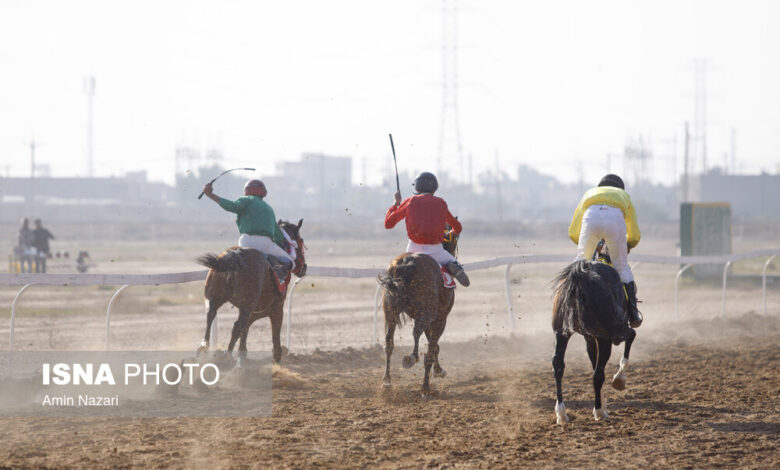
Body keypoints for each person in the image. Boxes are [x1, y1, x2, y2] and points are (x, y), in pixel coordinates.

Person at [568, 174, 642, 327]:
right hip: (614, 222)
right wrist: (628, 244)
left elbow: (574, 232)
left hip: (591, 219)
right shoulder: (624, 196)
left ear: (599, 187)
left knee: (578, 265)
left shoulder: (589, 194)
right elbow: (634, 235)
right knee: (622, 268)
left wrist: (589, 245)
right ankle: (633, 314)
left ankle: (567, 306)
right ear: (620, 188)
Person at [385, 171, 470, 286]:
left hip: (413, 249)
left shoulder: (410, 201)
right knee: (454, 262)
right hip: (436, 251)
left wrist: (396, 203)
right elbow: (458, 227)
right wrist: (450, 233)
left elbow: (388, 224)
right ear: (434, 188)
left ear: (417, 187)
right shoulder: (441, 203)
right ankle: (454, 267)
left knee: (397, 272)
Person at [202, 179, 295, 279]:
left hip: (245, 242)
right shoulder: (269, 208)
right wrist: (284, 245)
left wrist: (210, 194)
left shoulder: (246, 199)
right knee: (291, 263)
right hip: (265, 244)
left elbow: (232, 206)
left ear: (246, 190)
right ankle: (271, 261)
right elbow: (278, 235)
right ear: (263, 192)